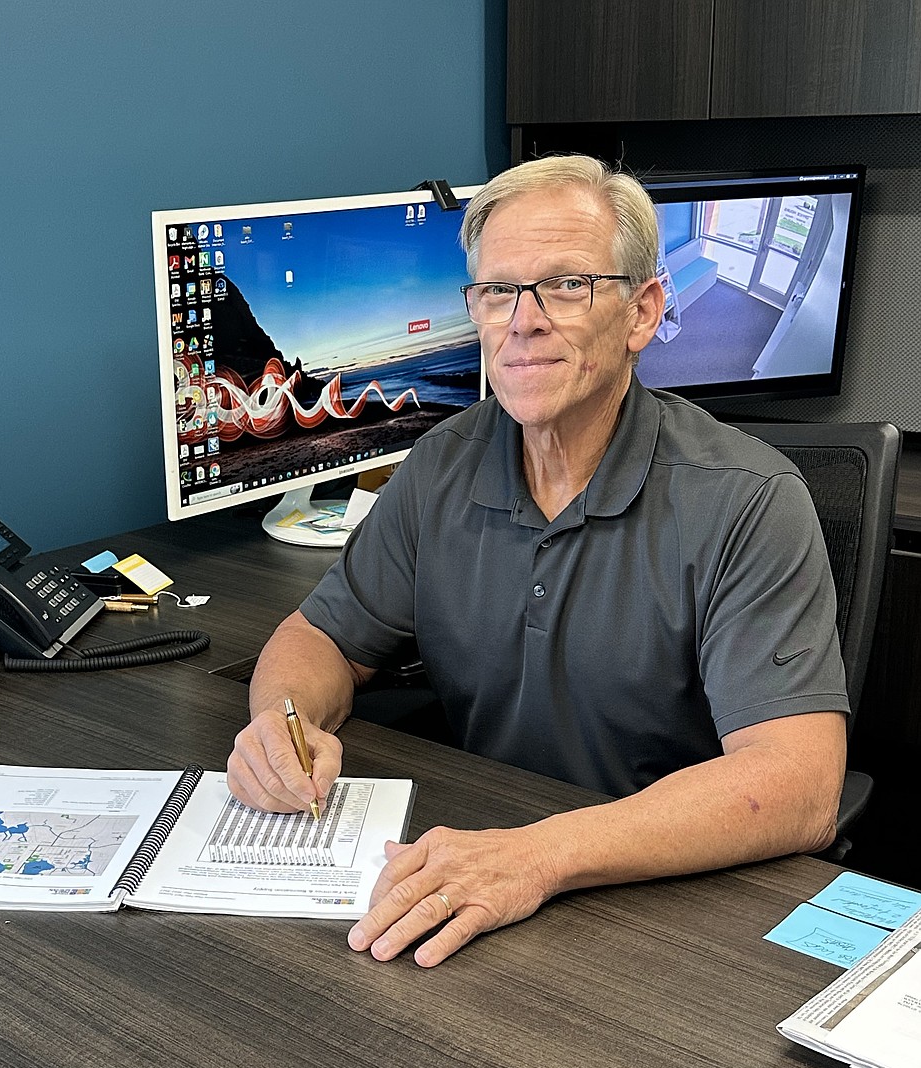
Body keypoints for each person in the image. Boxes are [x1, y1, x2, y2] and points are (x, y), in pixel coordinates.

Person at [227, 154, 849, 967]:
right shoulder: (441, 463)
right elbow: (323, 639)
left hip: (665, 903)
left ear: (643, 311)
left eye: (566, 285)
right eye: (497, 291)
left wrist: (539, 855)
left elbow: (797, 789)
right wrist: (283, 725)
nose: (522, 321)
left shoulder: (750, 499)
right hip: (480, 875)